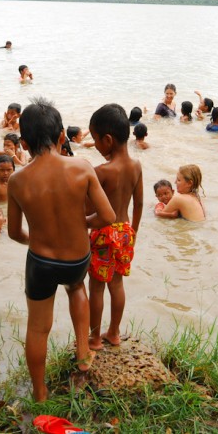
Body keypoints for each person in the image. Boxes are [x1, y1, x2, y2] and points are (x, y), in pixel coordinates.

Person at [7, 97, 115, 402]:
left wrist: (36, 238)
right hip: (76, 259)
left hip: (40, 262)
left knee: (38, 328)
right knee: (76, 287)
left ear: (24, 143)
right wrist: (82, 221)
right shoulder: (81, 167)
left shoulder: (17, 180)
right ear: (60, 136)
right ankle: (83, 356)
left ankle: (40, 394)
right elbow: (107, 217)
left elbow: (14, 232)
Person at [87, 103, 144, 351]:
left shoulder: (101, 172)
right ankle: (115, 333)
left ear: (107, 140)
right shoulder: (136, 166)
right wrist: (134, 232)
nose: (96, 146)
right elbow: (139, 202)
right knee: (117, 284)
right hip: (125, 232)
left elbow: (89, 211)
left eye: (95, 140)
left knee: (97, 288)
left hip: (103, 234)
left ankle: (95, 338)